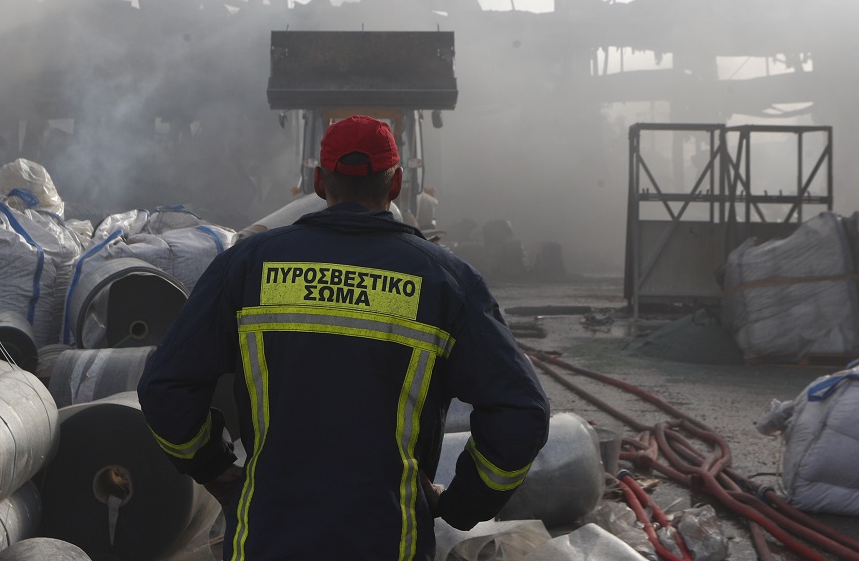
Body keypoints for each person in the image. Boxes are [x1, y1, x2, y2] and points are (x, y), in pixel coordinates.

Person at [137, 114, 550, 561]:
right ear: (396, 185)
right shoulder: (445, 281)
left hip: (266, 541)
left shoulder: (247, 266)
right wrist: (463, 504)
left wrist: (214, 469)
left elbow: (165, 386)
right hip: (389, 544)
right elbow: (521, 413)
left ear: (319, 182)